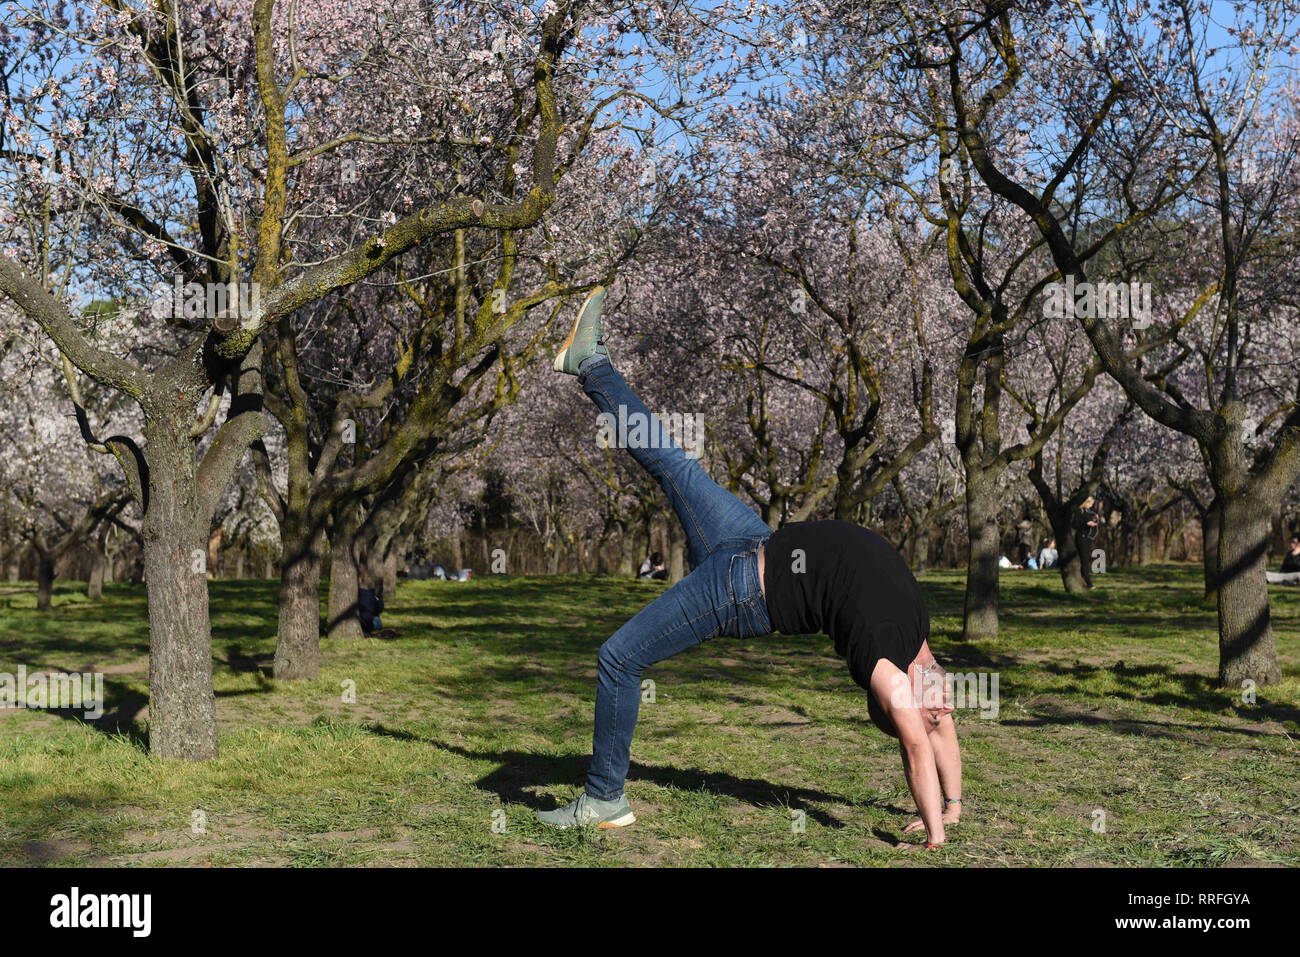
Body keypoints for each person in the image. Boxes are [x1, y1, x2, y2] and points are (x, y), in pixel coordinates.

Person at [535, 288, 962, 849]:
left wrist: (934, 833)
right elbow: (937, 729)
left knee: (618, 657)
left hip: (739, 590)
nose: (941, 705)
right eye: (938, 704)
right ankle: (591, 364)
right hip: (752, 540)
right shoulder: (918, 645)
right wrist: (953, 806)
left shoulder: (884, 664)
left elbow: (914, 740)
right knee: (672, 461)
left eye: (923, 709)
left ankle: (604, 799)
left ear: (891, 701)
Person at [1072, 497, 1104, 588]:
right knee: (1084, 559)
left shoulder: (1088, 512)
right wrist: (1086, 524)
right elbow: (1075, 524)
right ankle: (1087, 581)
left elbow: (1089, 521)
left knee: (1087, 558)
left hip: (1088, 537)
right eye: (1090, 504)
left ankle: (1084, 577)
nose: (1091, 506)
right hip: (1081, 537)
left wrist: (1094, 520)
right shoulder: (1079, 511)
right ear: (1085, 502)